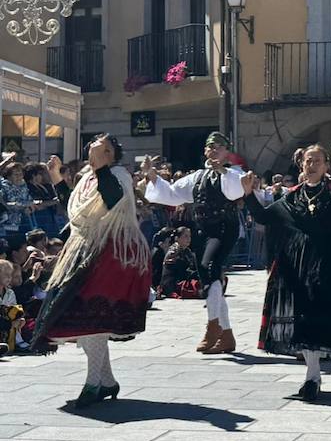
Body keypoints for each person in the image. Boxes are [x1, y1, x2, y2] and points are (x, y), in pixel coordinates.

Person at [31, 134, 150, 407]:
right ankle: (106, 381)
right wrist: (57, 179)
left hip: (112, 254)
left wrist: (99, 166)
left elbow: (112, 200)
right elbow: (75, 210)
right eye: (96, 148)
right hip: (84, 251)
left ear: (112, 156)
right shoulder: (88, 178)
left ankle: (93, 384)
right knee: (84, 318)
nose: (97, 152)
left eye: (105, 149)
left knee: (92, 316)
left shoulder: (118, 176)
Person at [246, 145, 331, 400]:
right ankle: (312, 377)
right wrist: (248, 195)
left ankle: (313, 377)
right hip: (297, 267)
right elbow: (264, 217)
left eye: (317, 161)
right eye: (308, 161)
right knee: (303, 321)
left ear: (325, 167)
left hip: (328, 267)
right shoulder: (291, 197)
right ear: (302, 165)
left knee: (317, 322)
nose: (312, 165)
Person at [142, 132, 247, 354]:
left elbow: (235, 190)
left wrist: (221, 170)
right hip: (202, 230)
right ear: (205, 152)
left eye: (219, 147)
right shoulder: (197, 177)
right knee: (209, 276)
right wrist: (153, 177)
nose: (214, 150)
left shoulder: (233, 173)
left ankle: (213, 326)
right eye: (211, 147)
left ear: (227, 152)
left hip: (223, 229)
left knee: (209, 268)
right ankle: (226, 335)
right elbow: (171, 194)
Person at [158, 227, 204, 300]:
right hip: (173, 284)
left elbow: (193, 267)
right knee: (198, 286)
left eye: (189, 236)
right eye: (185, 236)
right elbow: (183, 272)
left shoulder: (187, 251)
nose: (188, 239)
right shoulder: (174, 252)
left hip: (182, 278)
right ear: (177, 238)